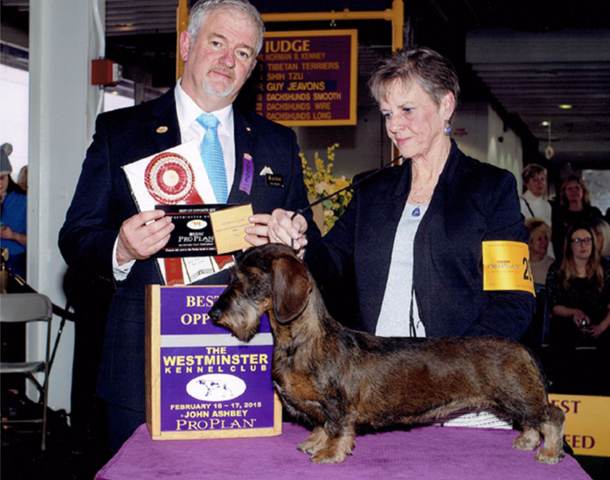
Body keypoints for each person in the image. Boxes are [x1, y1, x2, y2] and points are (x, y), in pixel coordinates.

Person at [59, 0, 318, 455]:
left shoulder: (279, 142)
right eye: (217, 43)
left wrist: (295, 238)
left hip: (252, 363)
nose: (227, 60)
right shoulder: (120, 131)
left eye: (243, 52)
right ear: (186, 44)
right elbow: (77, 237)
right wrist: (120, 247)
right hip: (144, 368)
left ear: (253, 66)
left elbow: (304, 232)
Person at [254, 45, 535, 342]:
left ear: (446, 105)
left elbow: (514, 301)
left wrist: (456, 364)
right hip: (374, 377)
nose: (394, 126)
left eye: (407, 110)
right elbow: (331, 263)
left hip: (457, 377)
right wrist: (299, 246)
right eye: (387, 114)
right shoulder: (370, 191)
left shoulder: (492, 188)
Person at [545, 224, 610, 394]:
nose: (583, 245)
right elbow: (555, 305)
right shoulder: (557, 269)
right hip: (567, 331)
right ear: (569, 244)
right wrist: (574, 312)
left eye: (587, 240)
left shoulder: (606, 268)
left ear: (594, 243)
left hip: (603, 329)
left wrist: (602, 327)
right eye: (577, 240)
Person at [551, 175, 602, 262]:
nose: (574, 191)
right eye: (569, 188)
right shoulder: (559, 215)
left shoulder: (593, 213)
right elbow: (557, 242)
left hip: (592, 259)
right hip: (567, 260)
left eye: (577, 188)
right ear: (564, 193)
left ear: (583, 190)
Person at [0, 143, 27, 279]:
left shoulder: (23, 202)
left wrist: (13, 235)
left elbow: (35, 241)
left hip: (16, 264)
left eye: (1, 178)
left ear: (8, 176)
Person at [525, 218, 554, 285]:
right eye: (539, 239)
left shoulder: (553, 267)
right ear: (530, 242)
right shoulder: (520, 265)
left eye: (546, 238)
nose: (544, 242)